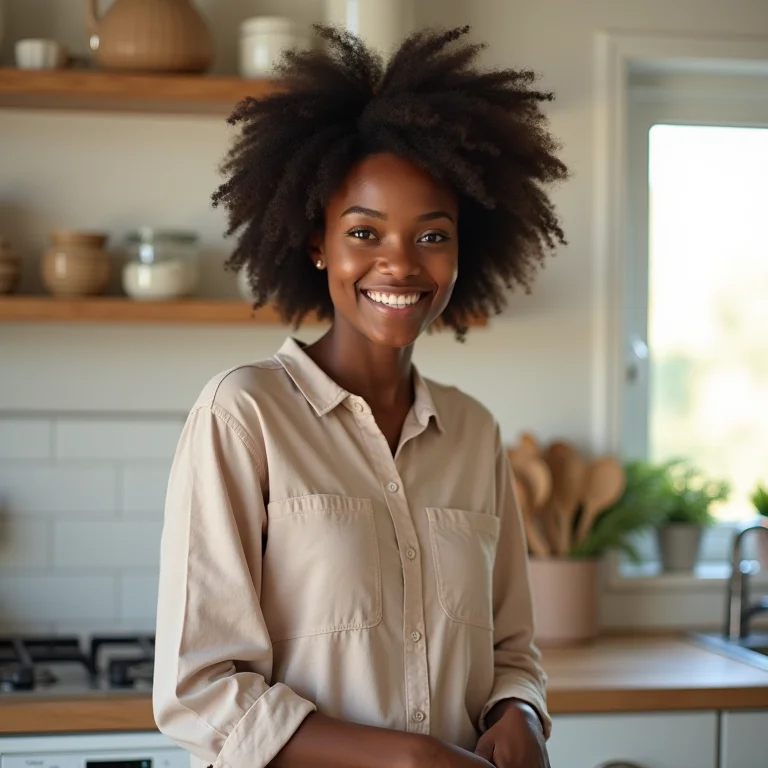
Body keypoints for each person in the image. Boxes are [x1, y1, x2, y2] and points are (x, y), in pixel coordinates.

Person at [153, 24, 567, 768]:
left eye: (431, 236)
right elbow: (201, 692)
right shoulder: (243, 416)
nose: (400, 264)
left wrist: (522, 710)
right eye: (365, 231)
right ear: (318, 243)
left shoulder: (474, 432)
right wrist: (408, 758)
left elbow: (511, 647)